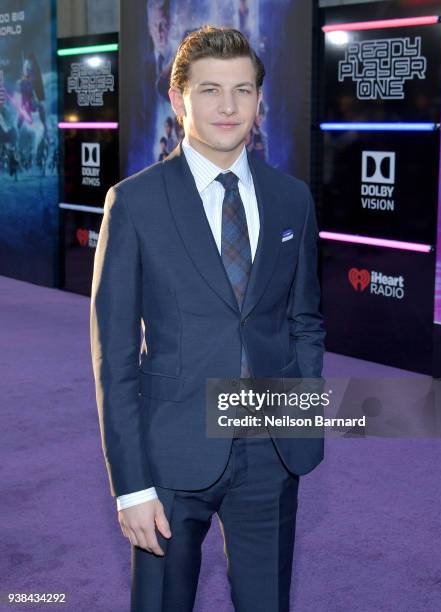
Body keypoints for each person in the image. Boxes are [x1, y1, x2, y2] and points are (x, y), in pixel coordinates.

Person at [90, 25, 325, 612]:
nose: (228, 106)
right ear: (179, 99)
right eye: (210, 90)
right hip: (171, 455)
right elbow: (113, 358)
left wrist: (301, 415)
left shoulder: (291, 197)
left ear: (258, 99)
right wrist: (132, 486)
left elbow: (305, 321)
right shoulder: (135, 202)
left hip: (271, 450)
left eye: (242, 90)